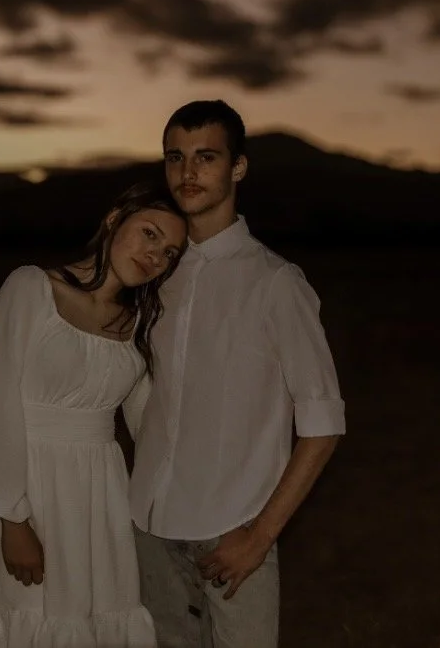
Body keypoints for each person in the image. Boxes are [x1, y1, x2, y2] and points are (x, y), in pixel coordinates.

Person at [129, 100, 347, 647]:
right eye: (175, 157)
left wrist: (260, 536)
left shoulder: (276, 282)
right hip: (149, 525)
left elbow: (323, 425)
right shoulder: (157, 274)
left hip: (231, 533)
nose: (188, 172)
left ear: (238, 168)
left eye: (206, 157)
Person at [0, 180, 189, 647]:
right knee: (34, 616)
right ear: (113, 220)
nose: (156, 256)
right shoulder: (32, 288)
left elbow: (150, 426)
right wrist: (11, 518)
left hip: (104, 493)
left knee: (102, 616)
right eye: (149, 234)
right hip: (34, 488)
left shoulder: (140, 323)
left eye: (169, 253)